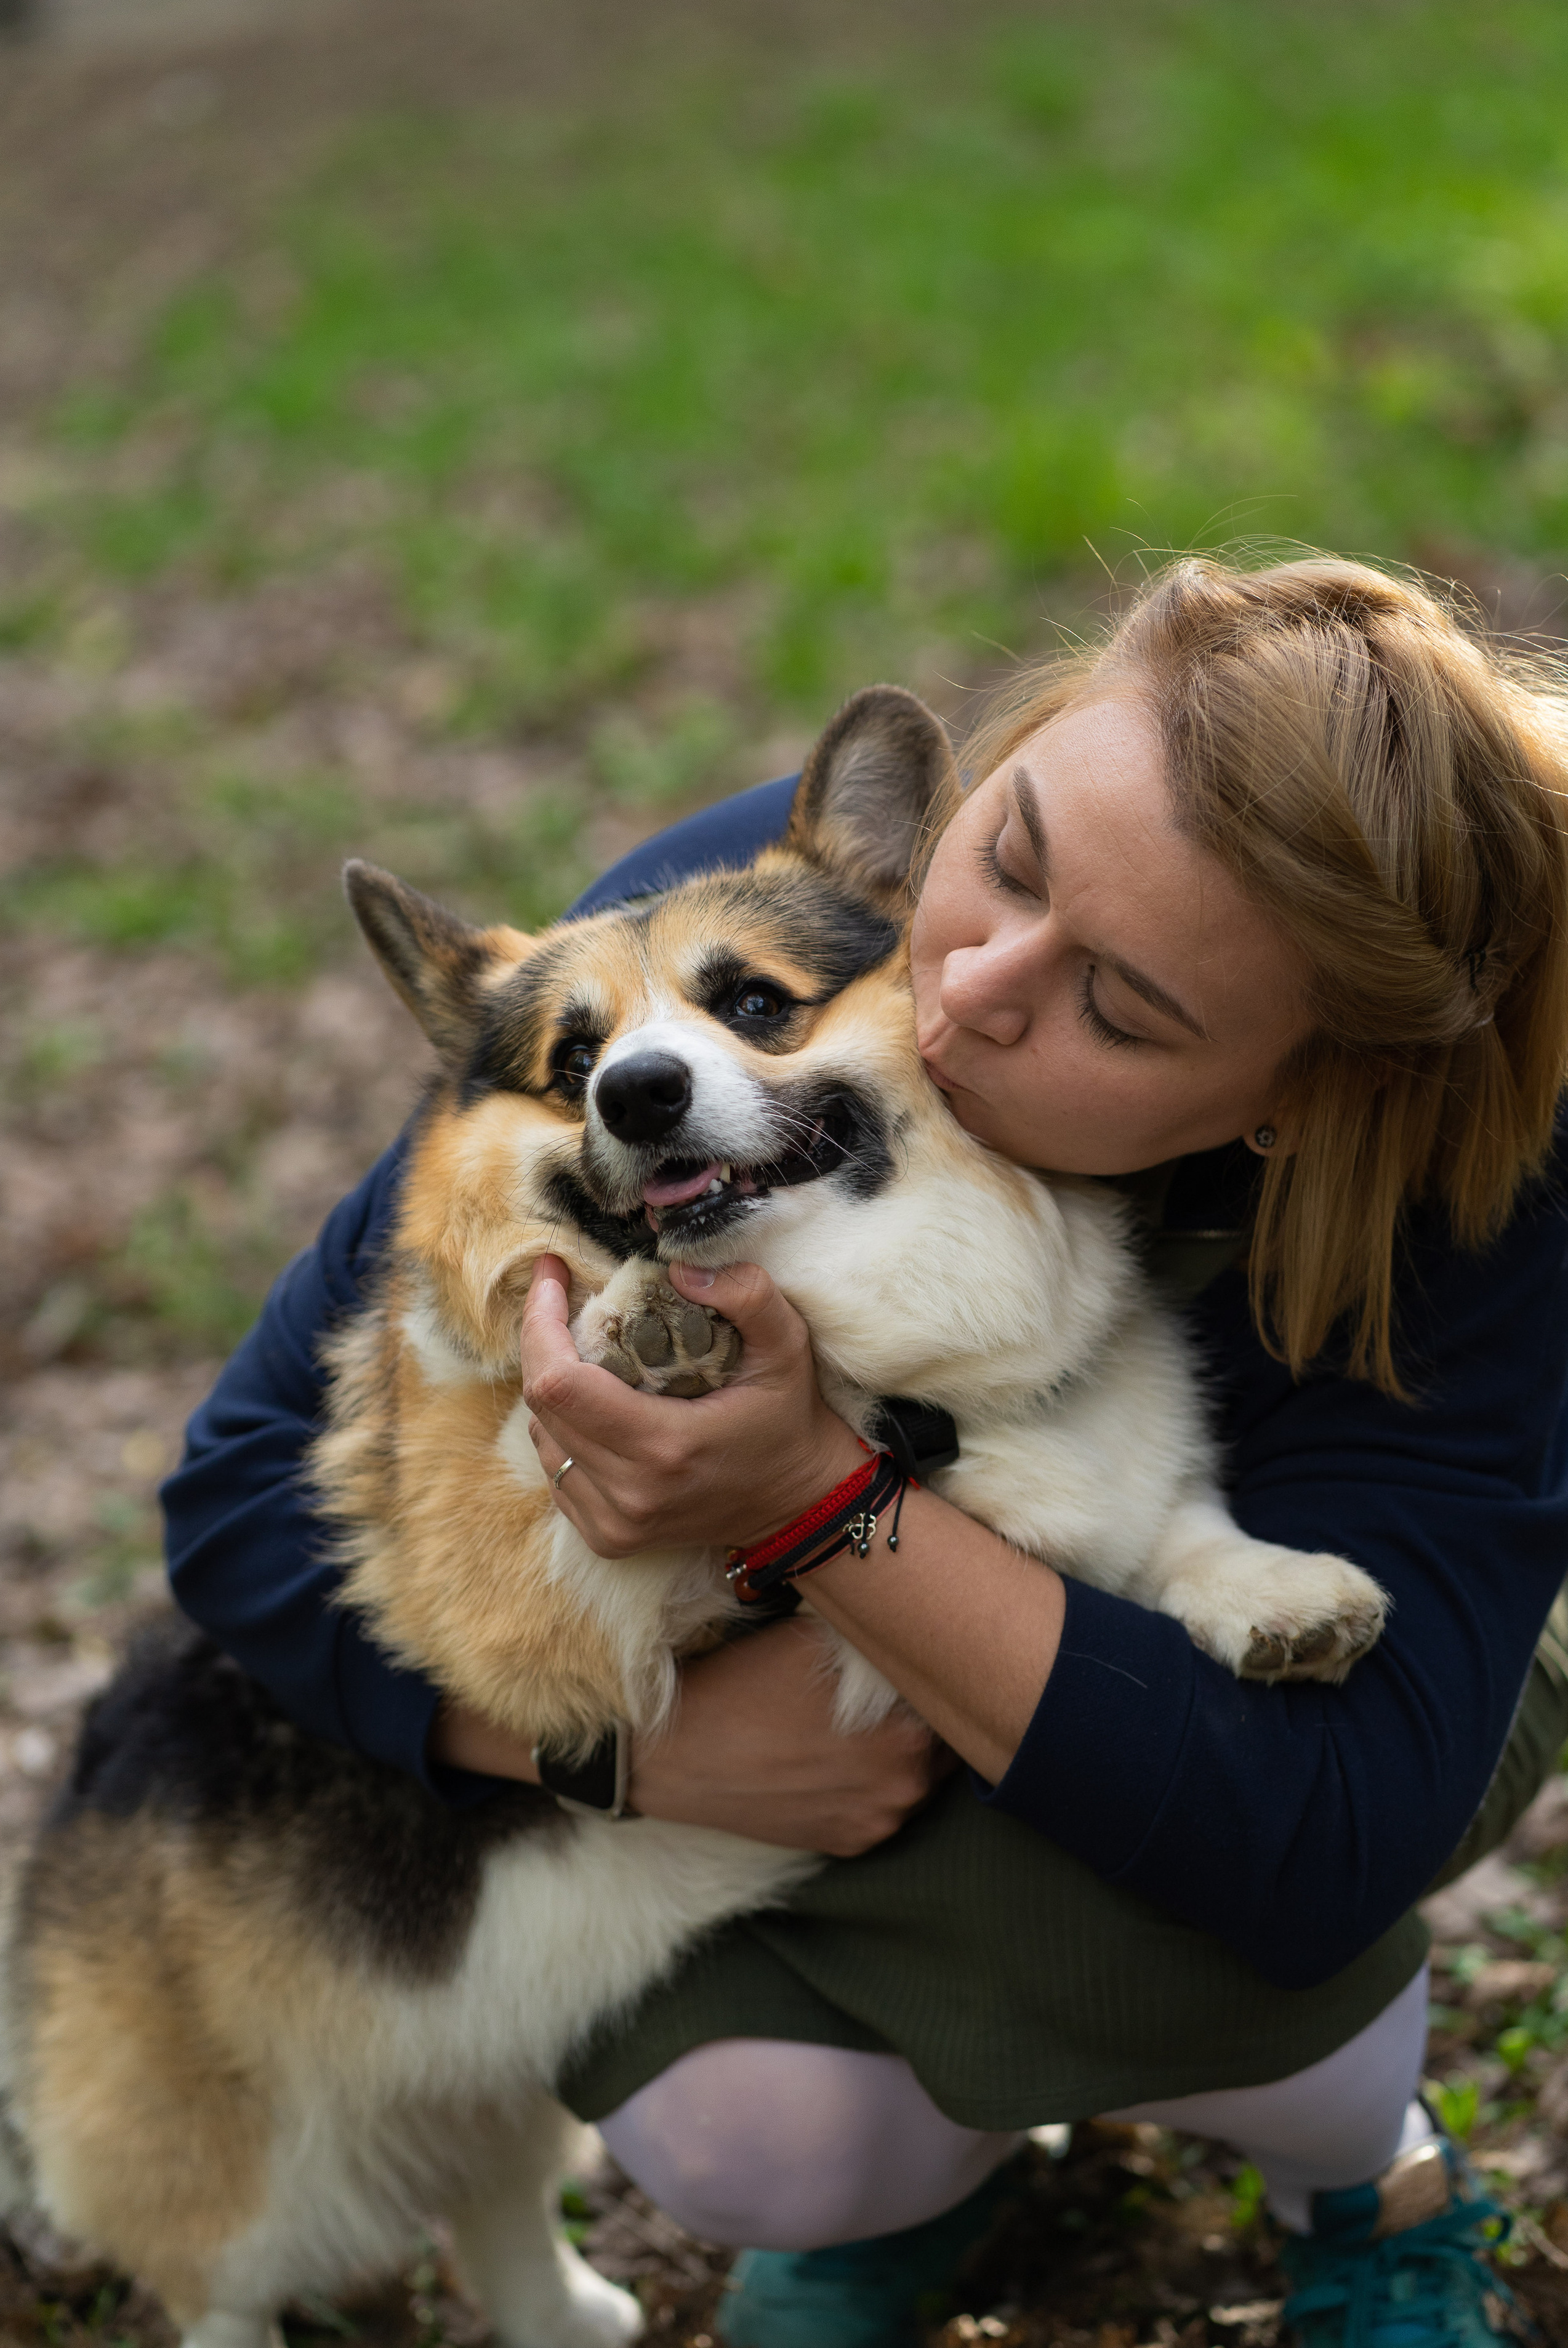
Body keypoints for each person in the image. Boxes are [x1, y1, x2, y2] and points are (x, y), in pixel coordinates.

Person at [163, 557, 1568, 2348]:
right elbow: (240, 1498)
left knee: (1194, 1899)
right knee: (759, 2136)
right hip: (807, 1715)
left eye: (1122, 1008)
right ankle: (943, 2156)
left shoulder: (1483, 1174)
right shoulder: (739, 924)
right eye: (1012, 857)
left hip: (1324, 1656)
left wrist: (816, 1501)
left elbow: (1328, 1821)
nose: (971, 985)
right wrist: (627, 1758)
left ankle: (1361, 2163)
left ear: (1300, 1096)